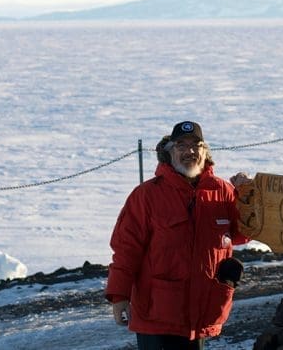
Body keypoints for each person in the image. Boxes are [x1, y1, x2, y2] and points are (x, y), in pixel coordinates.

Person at [105, 121, 248, 350]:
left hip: (199, 311)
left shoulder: (223, 192)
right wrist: (119, 296)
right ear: (169, 152)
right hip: (155, 315)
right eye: (181, 145)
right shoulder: (146, 195)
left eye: (196, 145)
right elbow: (126, 249)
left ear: (205, 152)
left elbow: (243, 232)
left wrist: (248, 197)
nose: (189, 151)